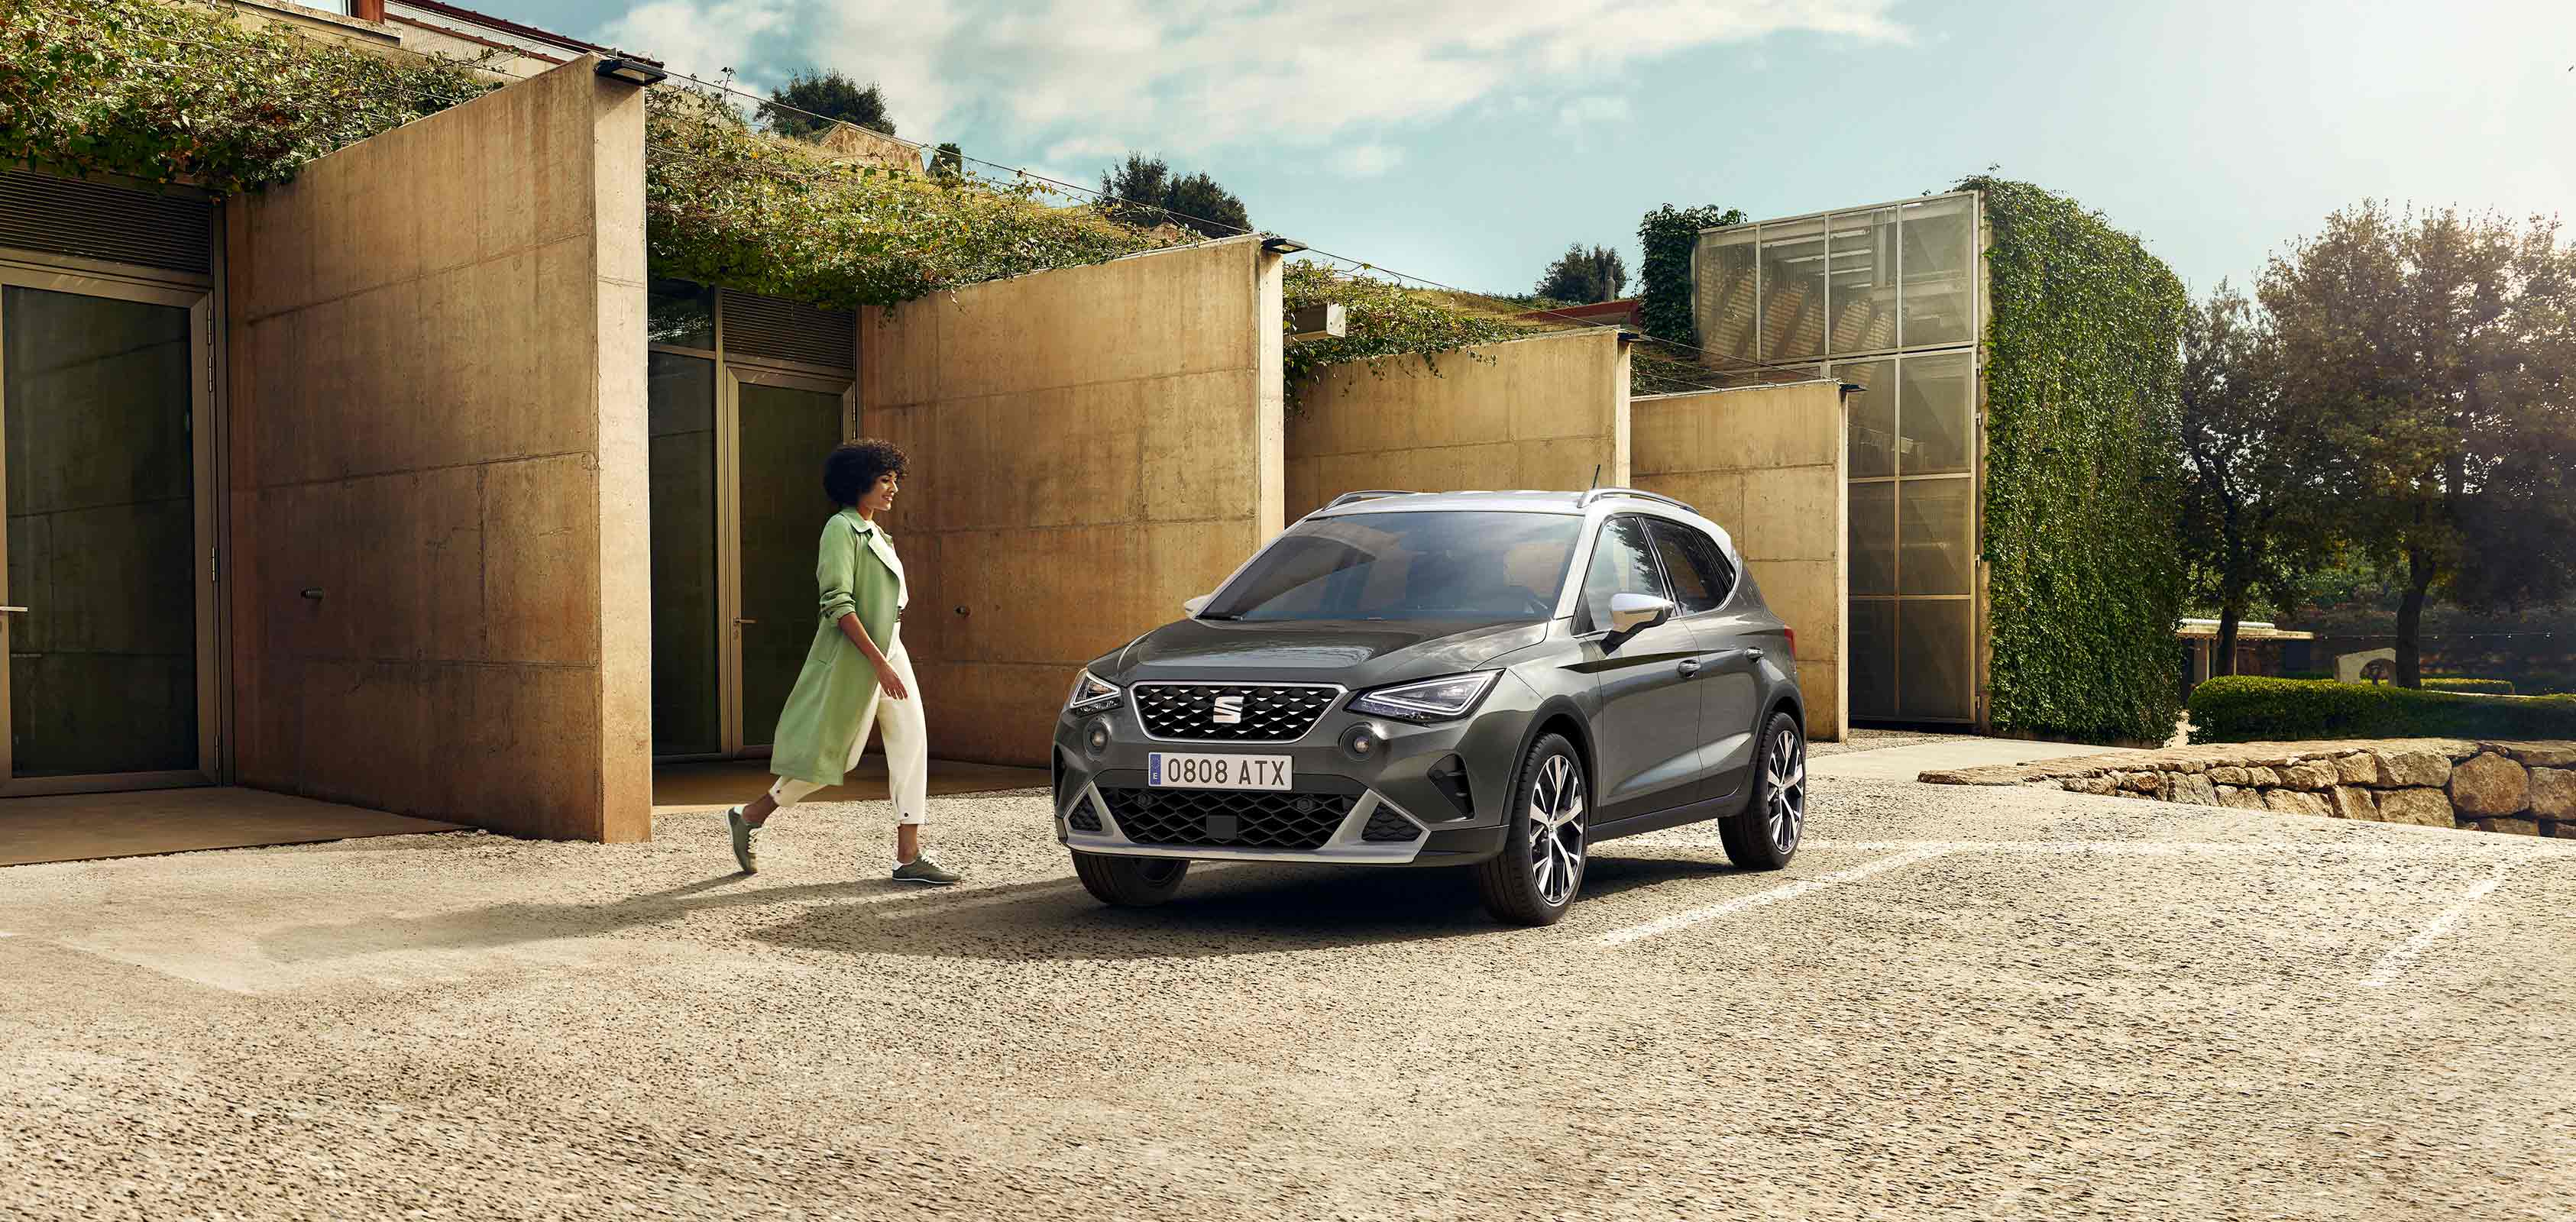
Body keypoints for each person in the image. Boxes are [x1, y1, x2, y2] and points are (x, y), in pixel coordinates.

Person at [724, 439, 957, 885]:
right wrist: (879, 663)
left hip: (891, 647)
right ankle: (752, 814)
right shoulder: (841, 529)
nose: (893, 488)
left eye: (895, 480)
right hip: (861, 656)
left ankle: (909, 856)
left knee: (912, 742)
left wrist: (890, 657)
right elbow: (838, 602)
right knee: (833, 755)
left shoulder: (877, 533)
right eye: (884, 480)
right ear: (858, 482)